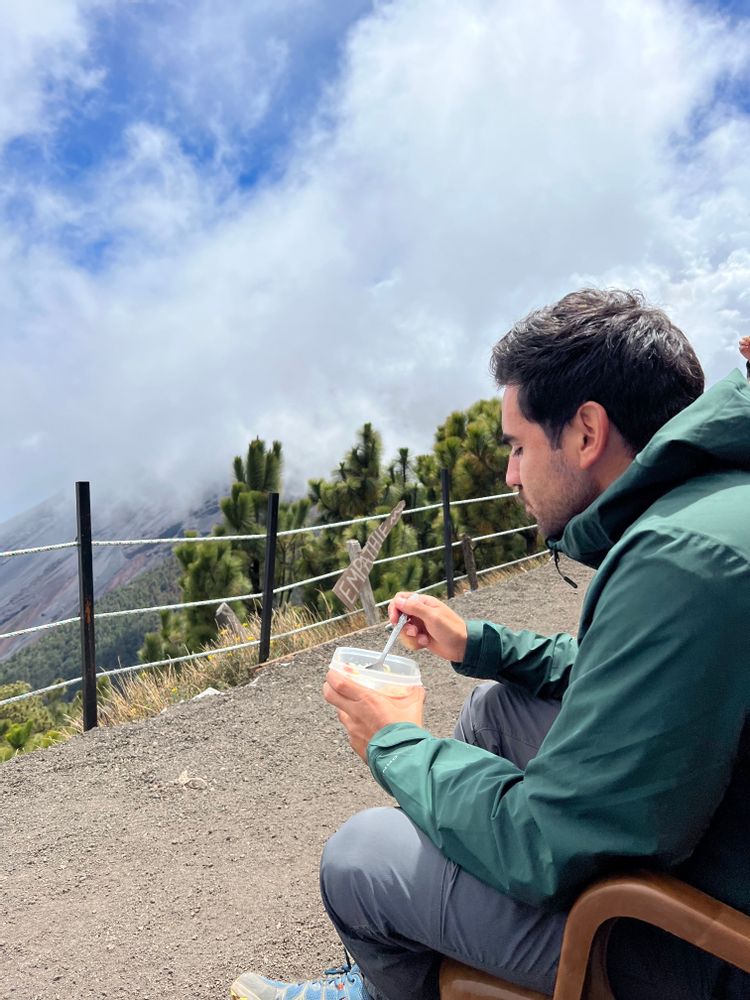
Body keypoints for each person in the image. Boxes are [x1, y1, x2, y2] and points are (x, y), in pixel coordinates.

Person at [231, 290, 750, 1000]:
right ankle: (416, 937)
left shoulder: (681, 557)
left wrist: (395, 742)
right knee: (496, 710)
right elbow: (630, 677)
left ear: (587, 432)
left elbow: (546, 843)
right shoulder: (717, 506)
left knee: (360, 860)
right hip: (714, 836)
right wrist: (476, 642)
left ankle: (384, 980)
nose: (509, 474)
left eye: (517, 446)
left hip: (696, 943)